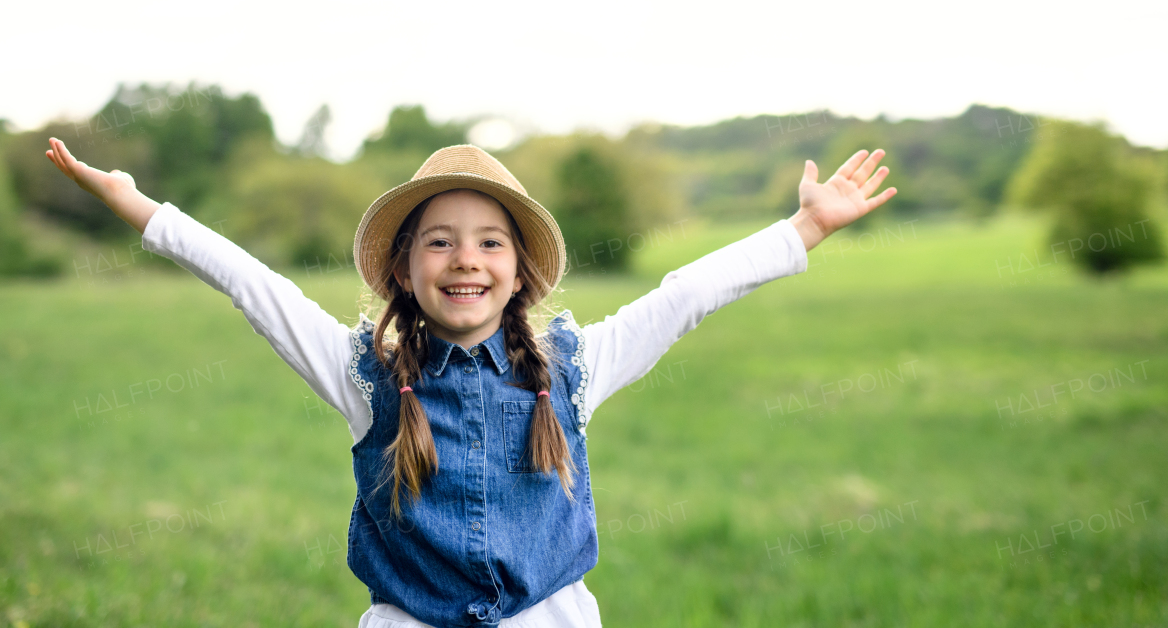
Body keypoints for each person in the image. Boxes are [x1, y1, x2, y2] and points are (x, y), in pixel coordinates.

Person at [46, 137, 894, 627]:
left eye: (490, 241)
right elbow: (254, 285)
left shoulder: (573, 366)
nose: (465, 260)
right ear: (404, 268)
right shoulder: (365, 376)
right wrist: (143, 208)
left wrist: (803, 228)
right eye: (440, 240)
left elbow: (685, 298)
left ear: (519, 269)